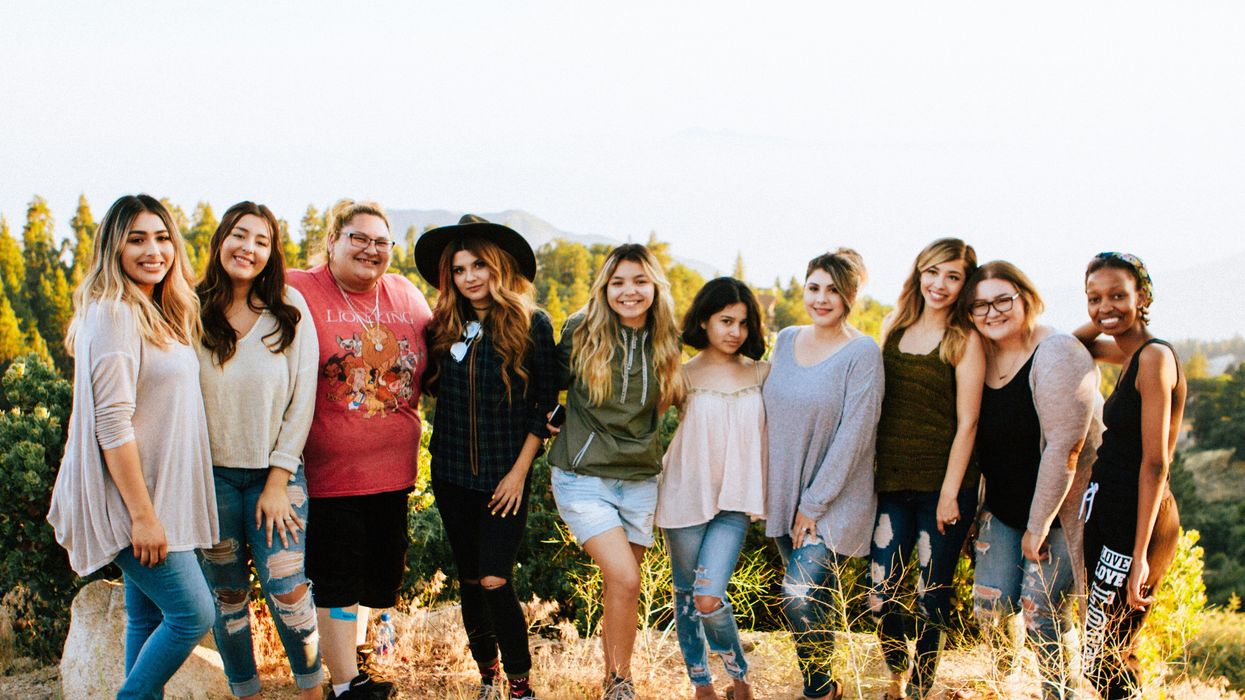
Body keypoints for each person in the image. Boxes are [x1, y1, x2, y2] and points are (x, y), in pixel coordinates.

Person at [48, 194, 218, 699]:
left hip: (159, 497)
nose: (154, 250)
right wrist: (142, 516)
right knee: (193, 613)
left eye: (162, 237)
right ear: (113, 247)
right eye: (137, 238)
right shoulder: (116, 312)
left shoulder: (153, 310)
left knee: (146, 614)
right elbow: (112, 423)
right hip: (136, 503)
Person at [286, 199, 432, 700]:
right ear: (332, 240)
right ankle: (346, 684)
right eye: (359, 238)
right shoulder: (299, 288)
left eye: (381, 242)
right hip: (331, 472)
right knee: (339, 578)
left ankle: (358, 662)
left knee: (380, 577)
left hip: (395, 471)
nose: (371, 249)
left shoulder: (406, 295)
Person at [416, 215, 557, 700]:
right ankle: (487, 676)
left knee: (496, 578)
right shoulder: (442, 326)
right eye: (458, 269)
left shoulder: (531, 323)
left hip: (505, 480)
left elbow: (547, 405)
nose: (470, 277)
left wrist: (520, 473)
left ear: (499, 266)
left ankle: (521, 685)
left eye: (478, 265)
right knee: (471, 580)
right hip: (452, 476)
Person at [547, 243, 685, 700]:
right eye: (618, 282)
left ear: (655, 287)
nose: (629, 291)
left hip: (641, 479)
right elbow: (547, 389)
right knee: (627, 577)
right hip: (583, 476)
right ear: (604, 286)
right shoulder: (580, 330)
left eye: (640, 281)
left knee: (622, 586)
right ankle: (620, 679)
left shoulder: (667, 338)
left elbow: (668, 402)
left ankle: (617, 680)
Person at [195, 201, 321, 699]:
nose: (248, 248)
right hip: (210, 480)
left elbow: (301, 402)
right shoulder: (191, 308)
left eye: (261, 241)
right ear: (220, 240)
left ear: (272, 253)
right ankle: (245, 691)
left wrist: (276, 481)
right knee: (227, 598)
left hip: (278, 478)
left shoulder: (289, 310)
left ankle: (312, 690)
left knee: (289, 592)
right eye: (239, 235)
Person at [964, 261, 1099, 700]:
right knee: (991, 604)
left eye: (1003, 299)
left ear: (1026, 297)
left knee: (1040, 611)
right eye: (980, 304)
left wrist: (1038, 525)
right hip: (1002, 508)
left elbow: (1065, 446)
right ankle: (999, 688)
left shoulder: (1056, 352)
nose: (992, 312)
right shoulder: (978, 356)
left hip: (1059, 512)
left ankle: (1058, 694)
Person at [763, 249, 884, 700]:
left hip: (833, 499)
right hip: (784, 494)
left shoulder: (862, 352)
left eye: (833, 289)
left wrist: (812, 504)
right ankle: (822, 684)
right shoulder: (786, 339)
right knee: (811, 602)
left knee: (797, 594)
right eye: (814, 287)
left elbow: (855, 435)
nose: (821, 298)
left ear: (851, 295)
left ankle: (819, 689)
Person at [870, 238, 985, 699]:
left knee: (930, 593)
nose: (940, 284)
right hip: (891, 483)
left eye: (953, 276)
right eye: (932, 272)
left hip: (944, 485)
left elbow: (969, 421)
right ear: (919, 272)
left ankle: (920, 687)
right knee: (882, 591)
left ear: (964, 284)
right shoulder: (894, 327)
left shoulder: (965, 338)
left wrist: (950, 492)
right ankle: (895, 677)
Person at [1075, 252, 1183, 699]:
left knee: (1107, 650)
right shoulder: (1130, 351)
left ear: (1143, 296)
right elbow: (1073, 345)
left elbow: (1155, 462)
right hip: (1109, 509)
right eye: (1094, 298)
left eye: (1119, 295)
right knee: (1097, 650)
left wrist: (1138, 554)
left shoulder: (1155, 358)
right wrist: (1105, 316)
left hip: (1135, 521)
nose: (1106, 307)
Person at [657, 277, 768, 700]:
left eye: (742, 323)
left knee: (707, 597)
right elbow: (639, 427)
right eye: (725, 321)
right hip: (685, 497)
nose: (734, 331)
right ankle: (702, 685)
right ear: (704, 321)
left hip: (735, 504)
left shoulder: (761, 372)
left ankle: (739, 678)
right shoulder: (681, 375)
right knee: (687, 597)